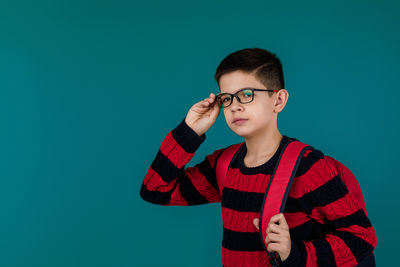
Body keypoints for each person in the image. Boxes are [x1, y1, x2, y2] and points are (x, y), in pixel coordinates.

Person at [139, 47, 377, 266]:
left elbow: (362, 237)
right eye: (226, 99)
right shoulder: (223, 164)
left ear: (279, 100)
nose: (234, 106)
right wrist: (189, 131)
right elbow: (155, 190)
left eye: (246, 94)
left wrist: (294, 254)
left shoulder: (308, 168)